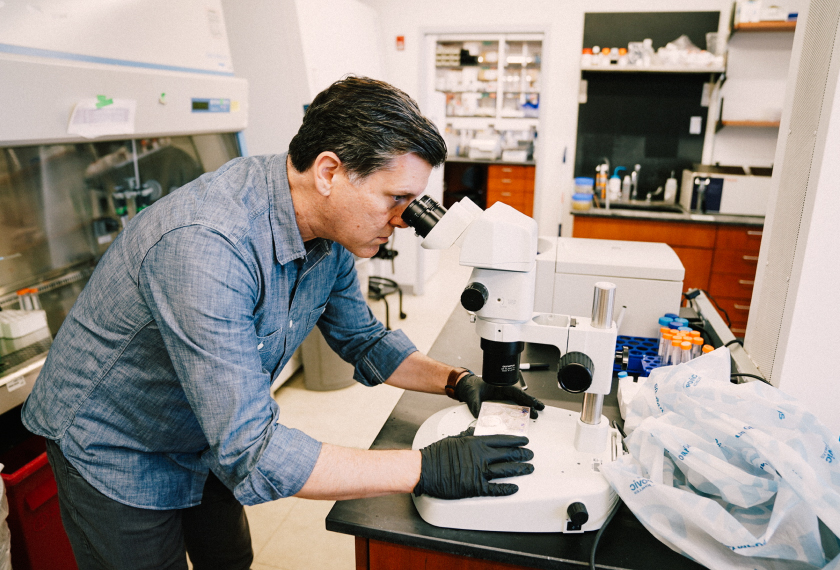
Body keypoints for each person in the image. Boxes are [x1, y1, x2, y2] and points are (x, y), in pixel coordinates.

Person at [22, 76, 544, 570]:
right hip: (116, 442)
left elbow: (363, 340)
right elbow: (254, 449)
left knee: (228, 560)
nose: (404, 221)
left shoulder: (331, 232)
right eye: (396, 200)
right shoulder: (208, 246)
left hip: (206, 429)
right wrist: (426, 469)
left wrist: (459, 381)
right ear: (329, 172)